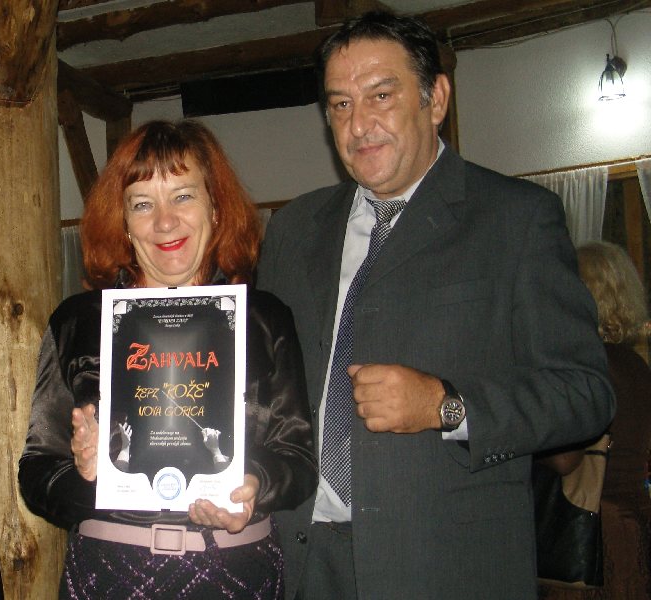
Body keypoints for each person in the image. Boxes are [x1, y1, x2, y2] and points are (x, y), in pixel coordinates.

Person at [257, 11, 616, 600]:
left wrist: (445, 406)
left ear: (436, 99)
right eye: (341, 104)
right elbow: (263, 387)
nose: (359, 124)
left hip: (445, 564)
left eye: (381, 95)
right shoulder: (295, 229)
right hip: (301, 560)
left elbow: (585, 395)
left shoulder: (515, 218)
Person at [18, 119, 315, 598]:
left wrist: (255, 483)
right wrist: (88, 475)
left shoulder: (263, 318)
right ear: (123, 221)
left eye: (183, 196)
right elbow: (36, 475)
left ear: (215, 206)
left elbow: (299, 461)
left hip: (237, 574)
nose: (164, 221)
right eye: (142, 204)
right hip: (109, 575)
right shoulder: (78, 321)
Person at [538, 241, 651, 600]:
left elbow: (564, 458)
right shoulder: (635, 365)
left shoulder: (585, 367)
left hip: (588, 533)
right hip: (632, 523)